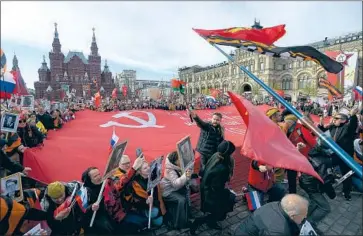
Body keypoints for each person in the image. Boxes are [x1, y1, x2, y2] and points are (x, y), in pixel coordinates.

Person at [190, 140, 236, 234]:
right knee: (223, 207)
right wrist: (227, 192)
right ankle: (198, 222)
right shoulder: (223, 168)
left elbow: (203, 171)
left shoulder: (215, 156)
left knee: (216, 209)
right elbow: (216, 187)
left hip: (205, 189)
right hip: (211, 194)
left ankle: (211, 222)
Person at [318, 108, 358, 200]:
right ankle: (324, 187)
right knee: (322, 166)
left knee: (347, 174)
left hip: (345, 156)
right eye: (334, 118)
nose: (334, 119)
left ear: (343, 120)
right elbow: (322, 131)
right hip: (334, 155)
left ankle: (346, 193)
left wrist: (352, 115)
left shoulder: (347, 128)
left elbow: (353, 125)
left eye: (337, 118)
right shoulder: (332, 127)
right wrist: (321, 122)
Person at [234, 194, 308, 236]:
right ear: (293, 215)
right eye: (303, 216)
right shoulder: (280, 231)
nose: (305, 217)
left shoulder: (275, 204)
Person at [126, 161, 166, 231]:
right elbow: (135, 202)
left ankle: (149, 219)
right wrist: (146, 202)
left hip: (153, 206)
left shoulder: (152, 177)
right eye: (145, 168)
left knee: (159, 221)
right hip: (141, 208)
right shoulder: (135, 183)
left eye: (148, 166)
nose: (148, 169)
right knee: (156, 212)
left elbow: (157, 195)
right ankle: (143, 218)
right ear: (139, 171)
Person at [284, 114, 317, 194]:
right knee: (291, 176)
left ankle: (310, 191)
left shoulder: (301, 129)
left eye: (286, 122)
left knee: (305, 176)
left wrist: (305, 148)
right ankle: (292, 192)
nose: (284, 124)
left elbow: (313, 143)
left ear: (291, 122)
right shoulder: (287, 130)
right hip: (292, 156)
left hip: (302, 156)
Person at [161, 151, 192, 229]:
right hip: (167, 192)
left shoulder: (175, 166)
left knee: (186, 192)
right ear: (175, 161)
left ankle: (187, 215)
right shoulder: (170, 170)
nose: (181, 160)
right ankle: (179, 223)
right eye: (179, 159)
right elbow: (176, 184)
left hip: (173, 189)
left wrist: (187, 174)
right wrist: (186, 174)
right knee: (181, 200)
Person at [187, 110, 225, 176]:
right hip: (204, 151)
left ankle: (206, 176)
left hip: (213, 152)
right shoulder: (208, 126)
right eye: (214, 119)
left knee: (210, 166)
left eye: (217, 120)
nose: (215, 121)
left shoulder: (220, 129)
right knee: (204, 166)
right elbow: (201, 123)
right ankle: (202, 177)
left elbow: (220, 141)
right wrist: (195, 117)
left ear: (220, 121)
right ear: (211, 119)